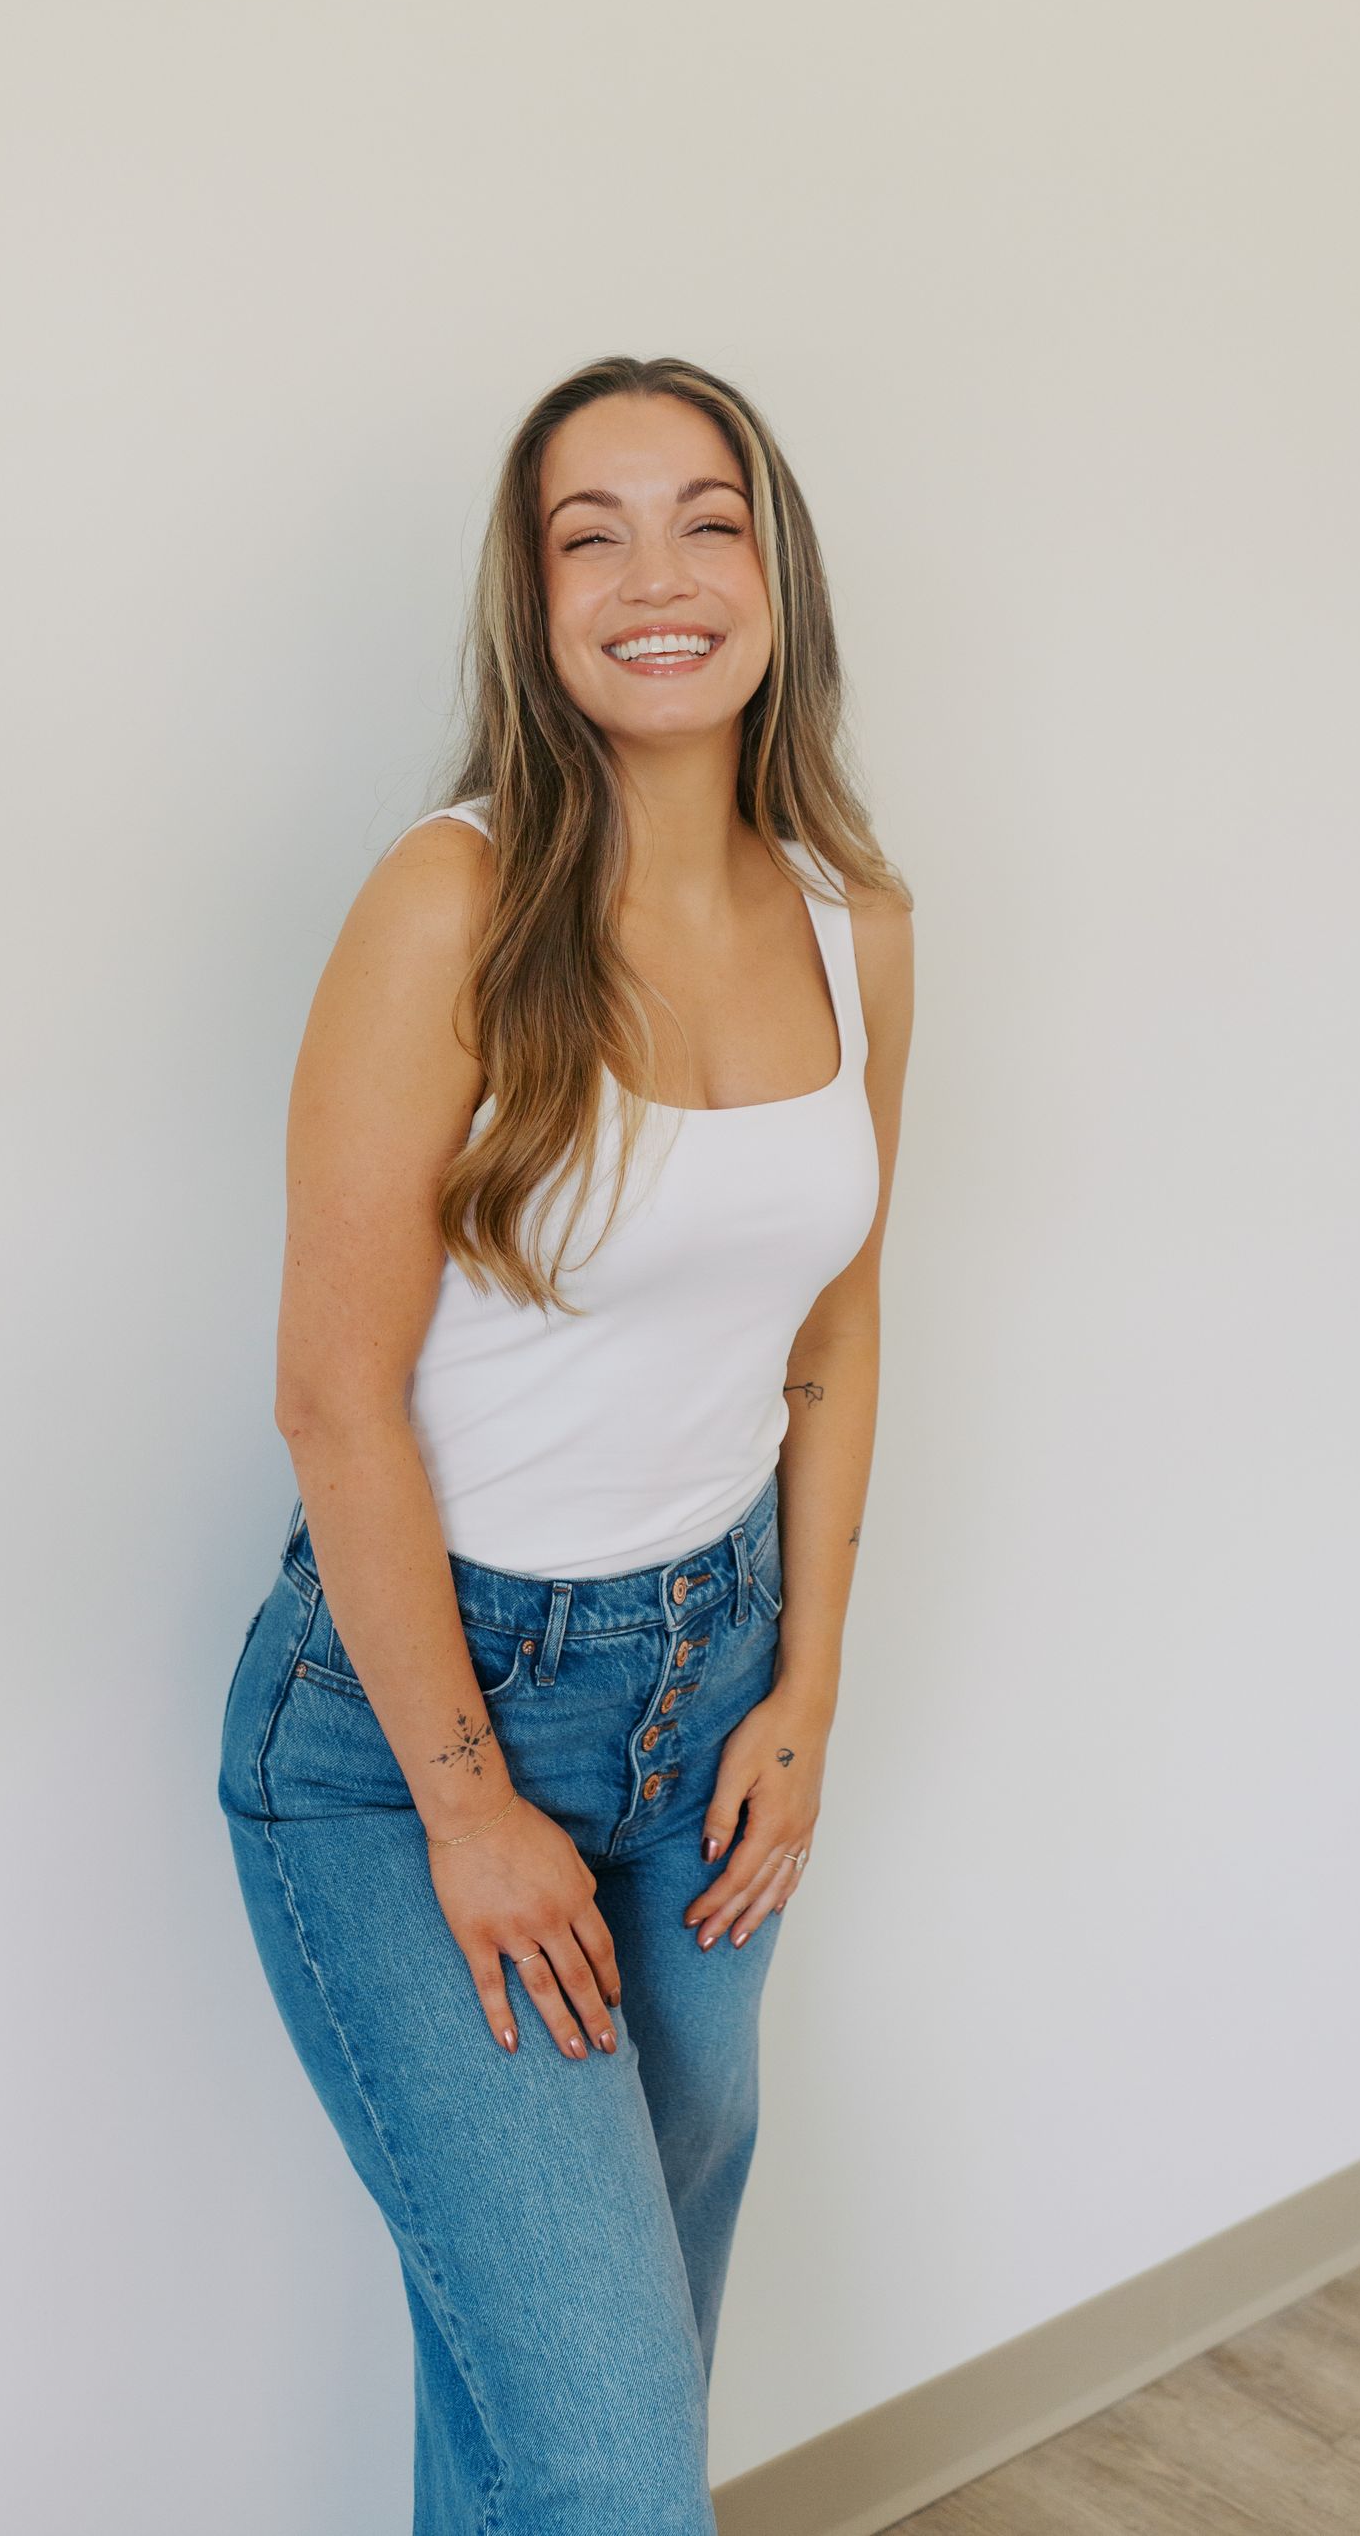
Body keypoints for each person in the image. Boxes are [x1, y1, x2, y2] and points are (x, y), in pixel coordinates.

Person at [217, 352, 914, 2532]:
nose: (654, 575)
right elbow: (334, 1392)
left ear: (776, 570)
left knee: (562, 2410)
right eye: (585, 532)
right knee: (615, 2464)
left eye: (705, 517)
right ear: (532, 604)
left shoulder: (857, 927)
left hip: (711, 1704)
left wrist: (805, 1688)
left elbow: (838, 1327)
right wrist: (465, 1805)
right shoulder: (451, 900)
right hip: (415, 1718)